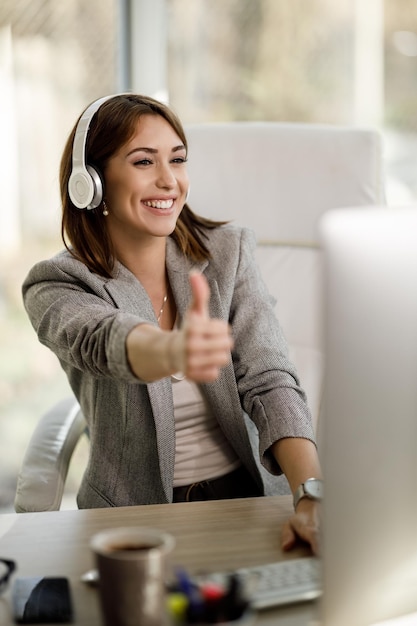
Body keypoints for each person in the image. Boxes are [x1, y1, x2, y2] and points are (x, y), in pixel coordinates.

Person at [22, 93, 321, 554]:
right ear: (91, 183)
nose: (168, 181)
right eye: (144, 161)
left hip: (247, 501)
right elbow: (100, 340)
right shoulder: (57, 282)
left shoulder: (228, 254)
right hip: (132, 523)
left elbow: (270, 380)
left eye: (177, 159)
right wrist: (169, 351)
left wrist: (311, 496)